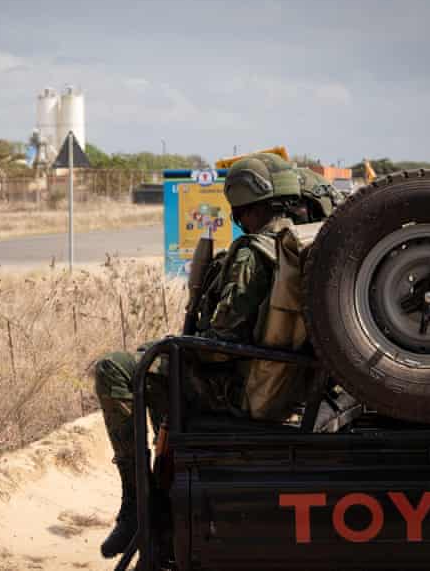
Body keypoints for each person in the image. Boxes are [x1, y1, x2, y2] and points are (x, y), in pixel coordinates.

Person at [94, 154, 332, 558]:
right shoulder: (300, 241)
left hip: (232, 388)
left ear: (244, 203)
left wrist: (178, 344)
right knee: (158, 365)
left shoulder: (253, 252)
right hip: (278, 384)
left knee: (115, 369)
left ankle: (138, 503)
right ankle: (160, 502)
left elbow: (220, 344)